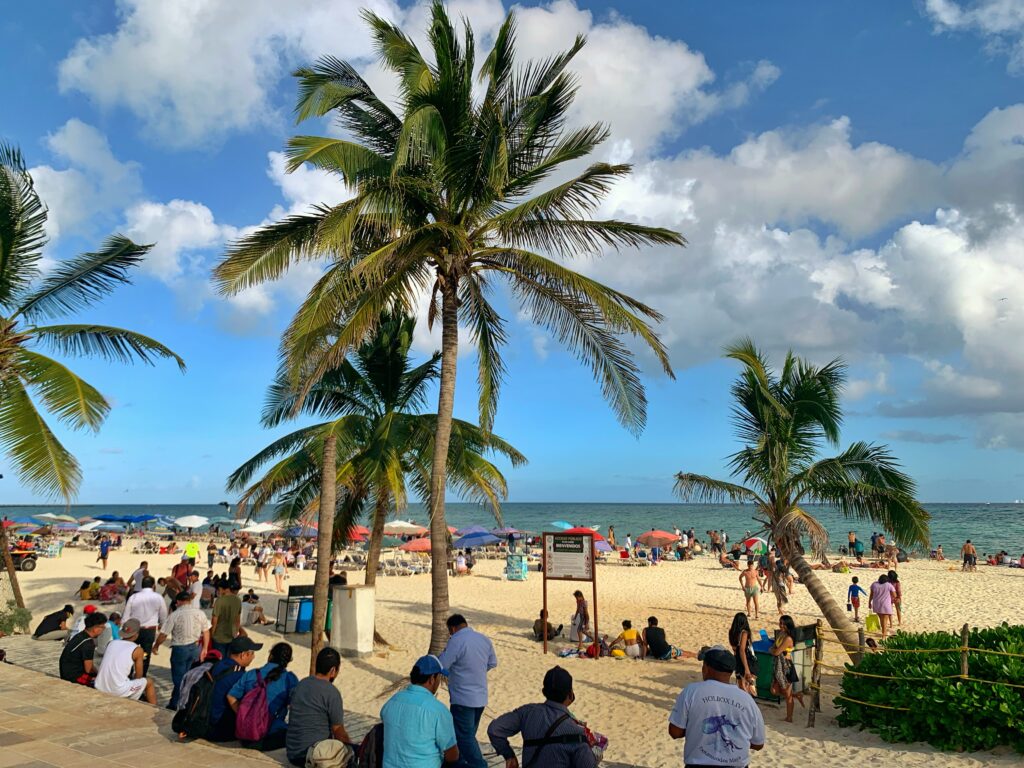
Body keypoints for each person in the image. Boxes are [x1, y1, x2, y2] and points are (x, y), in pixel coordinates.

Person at [668, 646, 765, 766]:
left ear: (706, 668)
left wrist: (695, 728)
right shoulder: (747, 700)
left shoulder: (691, 692)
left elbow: (674, 732)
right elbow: (758, 744)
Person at [488, 666, 596, 768]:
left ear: (543, 692)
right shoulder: (576, 732)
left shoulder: (527, 712)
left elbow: (494, 729)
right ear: (570, 694)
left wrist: (509, 755)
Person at [437, 614, 497, 768]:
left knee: (464, 737)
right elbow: (492, 663)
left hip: (463, 698)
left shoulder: (456, 640)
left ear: (452, 628)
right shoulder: (483, 639)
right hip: (480, 697)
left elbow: (442, 664)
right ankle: (461, 763)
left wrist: (457, 673)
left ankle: (479, 765)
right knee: (468, 736)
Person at [381, 654, 459, 767]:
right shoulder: (438, 710)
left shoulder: (392, 701)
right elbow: (452, 755)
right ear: (432, 679)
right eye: (439, 678)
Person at [286, 647, 352, 767]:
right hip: (314, 756)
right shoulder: (331, 693)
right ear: (333, 671)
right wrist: (351, 749)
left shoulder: (301, 684)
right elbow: (338, 731)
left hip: (292, 753)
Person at [227, 642, 299, 750]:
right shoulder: (289, 678)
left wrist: (245, 716)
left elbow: (231, 696)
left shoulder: (251, 674)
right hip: (271, 736)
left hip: (246, 736)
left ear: (270, 656)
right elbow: (295, 705)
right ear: (288, 660)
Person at [153, 590, 211, 708]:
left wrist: (156, 646)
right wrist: (205, 648)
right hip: (195, 647)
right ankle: (180, 702)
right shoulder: (200, 613)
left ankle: (179, 703)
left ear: (178, 602)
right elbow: (206, 631)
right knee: (190, 675)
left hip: (180, 648)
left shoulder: (175, 614)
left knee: (179, 678)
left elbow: (163, 634)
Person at [208, 636, 263, 742]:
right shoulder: (239, 676)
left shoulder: (218, 665)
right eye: (252, 653)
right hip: (220, 729)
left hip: (207, 720)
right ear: (243, 655)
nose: (253, 657)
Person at [94, 618, 157, 704]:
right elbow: (139, 675)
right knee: (149, 682)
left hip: (99, 685)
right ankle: (156, 711)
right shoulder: (137, 650)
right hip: (117, 690)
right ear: (136, 635)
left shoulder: (111, 643)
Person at [121, 575, 166, 675]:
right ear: (153, 585)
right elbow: (163, 614)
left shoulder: (133, 597)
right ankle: (141, 675)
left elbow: (126, 615)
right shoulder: (158, 597)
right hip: (149, 630)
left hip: (133, 629)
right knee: (145, 654)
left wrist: (124, 629)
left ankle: (129, 673)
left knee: (130, 652)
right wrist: (161, 625)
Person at [770, 615, 805, 722]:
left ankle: (789, 717)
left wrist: (772, 650)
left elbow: (775, 651)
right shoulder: (781, 634)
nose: (781, 625)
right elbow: (775, 649)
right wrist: (773, 650)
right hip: (778, 665)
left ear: (788, 625)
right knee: (774, 691)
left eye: (783, 623)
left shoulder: (788, 638)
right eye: (780, 623)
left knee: (787, 695)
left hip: (786, 666)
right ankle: (797, 695)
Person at [59, 611, 107, 685]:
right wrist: (99, 673)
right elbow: (89, 669)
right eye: (103, 627)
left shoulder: (80, 635)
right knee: (103, 682)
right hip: (73, 677)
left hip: (65, 672)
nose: (104, 629)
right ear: (95, 629)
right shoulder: (88, 643)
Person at [728, 613, 759, 697]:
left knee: (741, 686)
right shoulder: (744, 633)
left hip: (737, 660)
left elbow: (735, 649)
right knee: (751, 689)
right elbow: (742, 650)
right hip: (745, 660)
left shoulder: (731, 632)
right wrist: (747, 669)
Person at [211, 579, 243, 658]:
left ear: (222, 588)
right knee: (228, 661)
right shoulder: (238, 600)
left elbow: (214, 621)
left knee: (219, 661)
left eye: (219, 589)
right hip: (231, 635)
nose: (218, 592)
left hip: (219, 636)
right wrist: (236, 633)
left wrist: (212, 634)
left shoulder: (219, 601)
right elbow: (237, 620)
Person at [869, 573, 897, 638]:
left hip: (876, 604)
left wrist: (869, 603)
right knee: (885, 620)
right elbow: (894, 595)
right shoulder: (889, 585)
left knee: (881, 619)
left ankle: (883, 632)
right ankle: (884, 634)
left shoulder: (874, 584)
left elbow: (871, 595)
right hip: (885, 605)